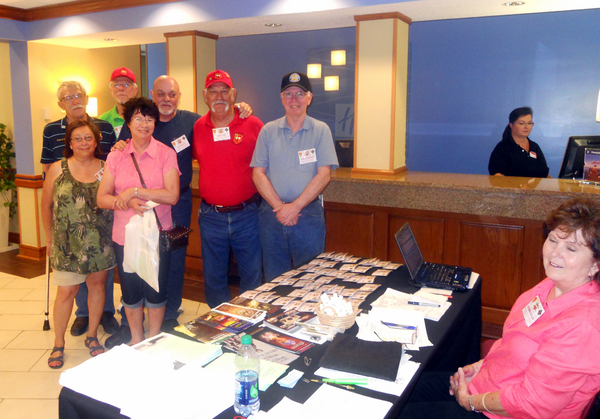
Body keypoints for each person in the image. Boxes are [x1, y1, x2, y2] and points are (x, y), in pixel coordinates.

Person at [399, 197, 600, 419]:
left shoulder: (583, 326)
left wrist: (470, 401)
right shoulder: (551, 284)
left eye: (571, 248)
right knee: (396, 391)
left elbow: (532, 404)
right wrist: (478, 367)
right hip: (486, 385)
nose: (555, 253)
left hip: (506, 413)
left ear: (595, 265)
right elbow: (513, 343)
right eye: (553, 240)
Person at [97, 97, 180, 345]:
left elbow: (172, 195)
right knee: (131, 291)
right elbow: (102, 198)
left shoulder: (166, 154)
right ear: (128, 123)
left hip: (158, 234)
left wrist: (134, 191)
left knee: (156, 289)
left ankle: (153, 338)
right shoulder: (117, 156)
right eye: (138, 118)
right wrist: (123, 202)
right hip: (125, 236)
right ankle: (136, 337)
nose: (145, 124)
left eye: (149, 119)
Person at [41, 80, 119, 337]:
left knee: (99, 282)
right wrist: (50, 237)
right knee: (69, 287)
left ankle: (101, 320)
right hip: (68, 234)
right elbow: (47, 199)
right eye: (68, 97)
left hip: (99, 232)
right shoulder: (53, 143)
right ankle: (78, 320)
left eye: (78, 95)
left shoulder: (105, 134)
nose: (74, 100)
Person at [251, 71, 339, 281]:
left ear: (309, 98)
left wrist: (295, 207)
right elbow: (257, 173)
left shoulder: (321, 130)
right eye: (288, 94)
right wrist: (281, 208)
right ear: (282, 99)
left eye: (300, 93)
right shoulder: (267, 131)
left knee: (311, 279)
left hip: (308, 217)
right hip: (272, 216)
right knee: (274, 280)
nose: (294, 99)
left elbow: (324, 175)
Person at [192, 70, 264, 307]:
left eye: (225, 91)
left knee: (252, 275)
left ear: (234, 95)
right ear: (205, 96)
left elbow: (268, 164)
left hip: (248, 215)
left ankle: (249, 323)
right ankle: (219, 327)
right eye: (213, 91)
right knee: (214, 278)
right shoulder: (197, 128)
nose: (219, 96)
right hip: (211, 217)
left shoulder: (253, 124)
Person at [488, 107, 550, 178]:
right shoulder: (503, 148)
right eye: (521, 123)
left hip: (533, 189)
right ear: (511, 125)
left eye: (529, 123)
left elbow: (544, 174)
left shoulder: (534, 147)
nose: (526, 127)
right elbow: (497, 176)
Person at [99, 67, 139, 137]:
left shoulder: (146, 119)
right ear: (111, 90)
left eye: (126, 85)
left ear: (135, 90)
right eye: (116, 85)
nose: (121, 88)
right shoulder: (102, 121)